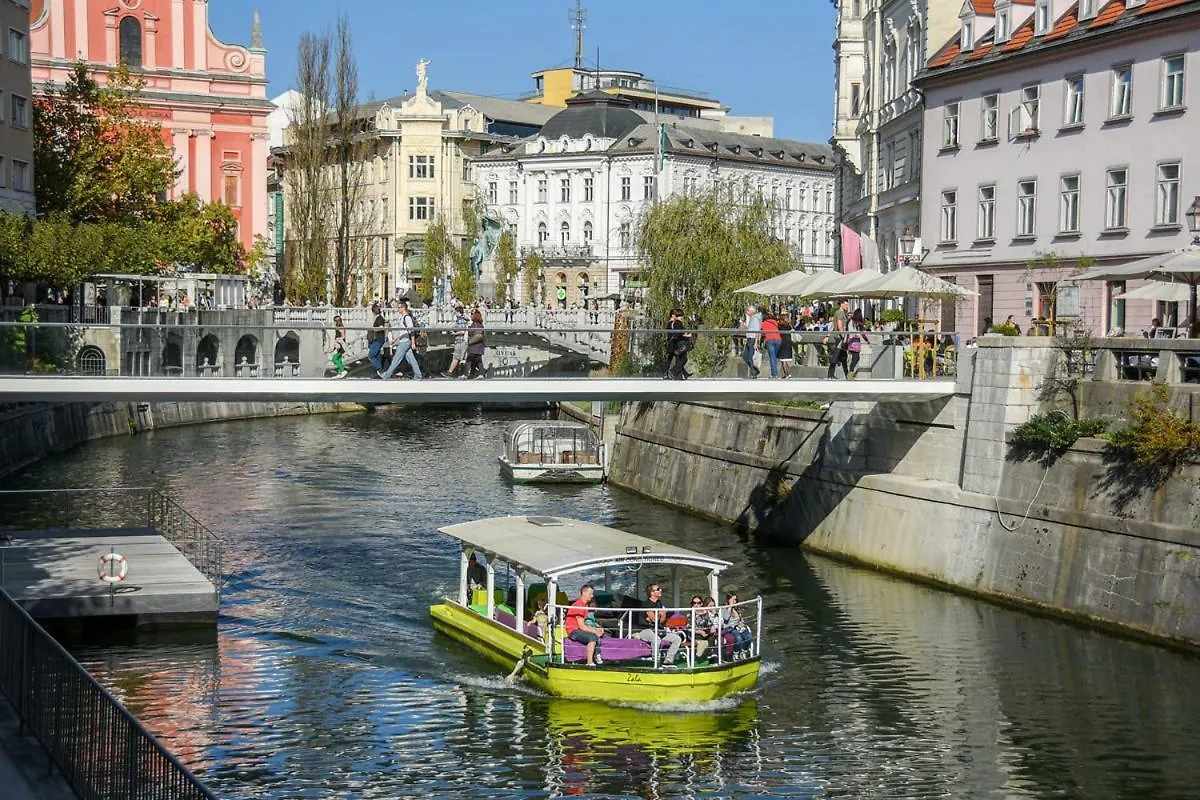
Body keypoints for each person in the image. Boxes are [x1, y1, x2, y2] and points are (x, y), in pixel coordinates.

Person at [635, 583, 683, 668]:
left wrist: (662, 614)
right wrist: (661, 614)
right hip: (646, 630)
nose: (660, 590)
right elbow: (655, 619)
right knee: (656, 640)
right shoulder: (646, 604)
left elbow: (661, 621)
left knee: (677, 639)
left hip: (659, 630)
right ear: (652, 593)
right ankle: (655, 661)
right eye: (658, 589)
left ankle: (668, 661)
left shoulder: (659, 603)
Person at [379, 300, 423, 380]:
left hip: (405, 342)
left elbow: (411, 331)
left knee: (396, 359)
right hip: (404, 341)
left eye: (399, 307)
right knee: (411, 359)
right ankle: (418, 374)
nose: (398, 309)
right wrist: (395, 339)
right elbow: (403, 332)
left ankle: (387, 374)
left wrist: (413, 343)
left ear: (403, 308)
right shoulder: (403, 317)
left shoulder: (407, 318)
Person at [565, 584, 605, 667]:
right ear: (584, 593)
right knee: (592, 637)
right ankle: (589, 662)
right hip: (573, 631)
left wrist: (597, 628)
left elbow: (585, 623)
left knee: (602, 634)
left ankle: (598, 654)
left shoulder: (585, 605)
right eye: (590, 593)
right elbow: (582, 626)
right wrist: (595, 631)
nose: (592, 596)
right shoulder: (579, 605)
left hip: (579, 629)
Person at [721, 591, 753, 660]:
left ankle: (743, 651)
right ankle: (735, 653)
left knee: (748, 637)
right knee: (738, 638)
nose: (735, 602)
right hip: (730, 628)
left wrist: (742, 623)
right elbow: (726, 618)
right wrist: (730, 606)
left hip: (739, 627)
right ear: (729, 600)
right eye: (733, 600)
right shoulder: (724, 609)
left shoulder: (737, 609)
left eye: (736, 600)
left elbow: (741, 619)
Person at [664, 308, 692, 380]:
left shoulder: (671, 323)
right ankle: (673, 372)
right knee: (682, 359)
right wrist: (686, 335)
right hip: (676, 344)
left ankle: (680, 375)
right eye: (680, 315)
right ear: (673, 315)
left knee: (676, 360)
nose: (682, 317)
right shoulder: (676, 323)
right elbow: (679, 332)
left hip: (673, 343)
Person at [826, 300, 850, 379]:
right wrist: (844, 337)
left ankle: (847, 375)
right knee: (836, 356)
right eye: (846, 304)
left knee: (843, 357)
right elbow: (839, 326)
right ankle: (830, 374)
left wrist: (828, 335)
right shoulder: (840, 313)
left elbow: (833, 325)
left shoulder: (839, 313)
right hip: (839, 338)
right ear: (842, 304)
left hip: (837, 337)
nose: (847, 306)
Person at [444, 304, 470, 377]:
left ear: (458, 312)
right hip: (461, 341)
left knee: (458, 357)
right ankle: (461, 373)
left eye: (455, 312)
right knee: (460, 358)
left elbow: (462, 331)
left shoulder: (461, 320)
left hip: (461, 341)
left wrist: (454, 333)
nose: (455, 314)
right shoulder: (462, 319)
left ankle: (452, 372)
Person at [846, 308, 871, 378]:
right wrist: (868, 341)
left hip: (851, 341)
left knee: (855, 358)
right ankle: (850, 374)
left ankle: (850, 373)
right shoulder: (858, 323)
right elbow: (863, 334)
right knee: (855, 358)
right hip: (855, 341)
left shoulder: (850, 321)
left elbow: (848, 331)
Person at [740, 304, 762, 378]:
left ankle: (753, 373)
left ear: (752, 311)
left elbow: (757, 330)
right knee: (745, 355)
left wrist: (756, 342)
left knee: (750, 357)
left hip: (752, 339)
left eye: (748, 311)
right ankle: (754, 370)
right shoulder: (752, 318)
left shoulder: (755, 318)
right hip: (749, 338)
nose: (747, 312)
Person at [464, 309, 487, 379]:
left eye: (472, 314)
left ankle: (468, 374)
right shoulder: (476, 324)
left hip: (475, 345)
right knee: (475, 360)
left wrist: (470, 341)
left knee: (472, 359)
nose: (470, 315)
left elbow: (479, 335)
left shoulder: (477, 324)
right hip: (475, 345)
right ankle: (472, 374)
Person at [367, 302, 387, 373]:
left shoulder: (379, 318)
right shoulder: (378, 318)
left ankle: (379, 369)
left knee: (371, 356)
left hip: (378, 339)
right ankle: (379, 371)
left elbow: (382, 327)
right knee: (377, 356)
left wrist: (373, 329)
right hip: (377, 339)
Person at [761, 312, 782, 379]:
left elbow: (762, 332)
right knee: (774, 357)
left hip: (770, 340)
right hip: (778, 340)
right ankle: (775, 372)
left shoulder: (763, 323)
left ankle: (774, 374)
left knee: (772, 358)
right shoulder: (774, 322)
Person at [777, 313, 795, 379]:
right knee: (786, 359)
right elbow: (793, 329)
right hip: (789, 342)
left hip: (782, 342)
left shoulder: (779, 326)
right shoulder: (788, 325)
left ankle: (786, 374)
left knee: (783, 360)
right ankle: (788, 373)